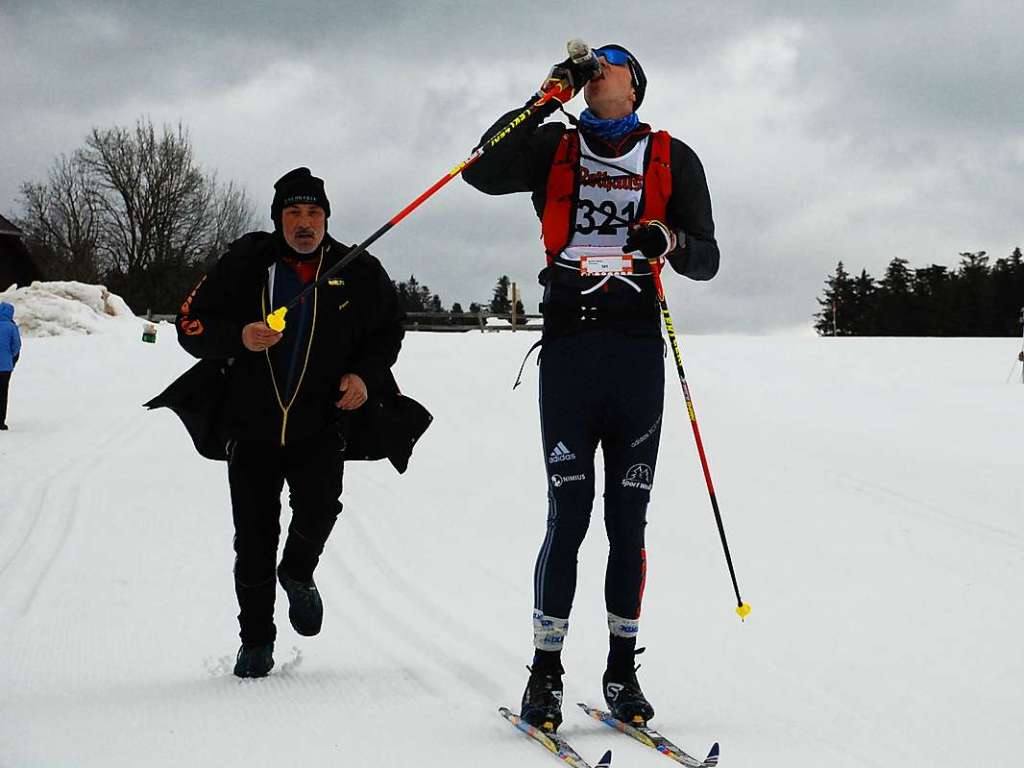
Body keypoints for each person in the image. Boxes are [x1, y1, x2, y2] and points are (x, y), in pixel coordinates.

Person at [463, 44, 720, 730]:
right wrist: (544, 97)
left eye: (610, 60)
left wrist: (670, 240)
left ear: (634, 84)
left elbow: (709, 258)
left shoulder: (672, 155)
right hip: (572, 346)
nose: (595, 66)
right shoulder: (553, 145)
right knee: (568, 515)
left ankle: (620, 670)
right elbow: (479, 170)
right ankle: (545, 675)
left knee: (627, 521)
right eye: (588, 63)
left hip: (635, 350)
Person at [162, 167, 420, 678]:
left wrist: (364, 375)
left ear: (327, 217)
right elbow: (189, 323)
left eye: (314, 213)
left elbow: (388, 331)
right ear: (278, 218)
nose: (305, 223)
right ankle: (255, 640)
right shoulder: (245, 261)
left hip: (321, 425)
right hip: (250, 425)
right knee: (253, 537)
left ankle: (298, 572)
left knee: (320, 509)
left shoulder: (358, 267)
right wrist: (239, 335)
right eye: (294, 213)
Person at [0, 301, 22, 430]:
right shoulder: (11, 327)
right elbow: (16, 346)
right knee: (2, 393)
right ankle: (0, 421)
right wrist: (10, 357)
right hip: (5, 367)